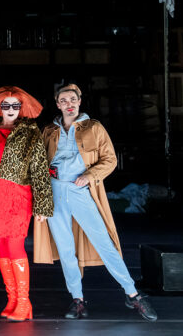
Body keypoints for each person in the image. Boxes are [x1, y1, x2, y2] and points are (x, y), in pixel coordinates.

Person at [34, 84, 157, 321]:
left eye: (72, 99)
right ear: (57, 104)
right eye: (63, 100)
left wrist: (90, 175)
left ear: (79, 101)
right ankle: (77, 300)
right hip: (54, 191)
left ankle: (133, 295)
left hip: (80, 190)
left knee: (105, 243)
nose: (68, 103)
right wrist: (40, 203)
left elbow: (109, 159)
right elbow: (38, 167)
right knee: (66, 249)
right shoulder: (49, 130)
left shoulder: (94, 127)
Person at [0, 86, 52, 322]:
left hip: (17, 196)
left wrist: (42, 206)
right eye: (6, 105)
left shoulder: (31, 133)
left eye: (15, 105)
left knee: (15, 247)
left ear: (21, 109)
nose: (10, 109)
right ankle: (12, 299)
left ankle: (24, 301)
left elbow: (40, 169)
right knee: (0, 247)